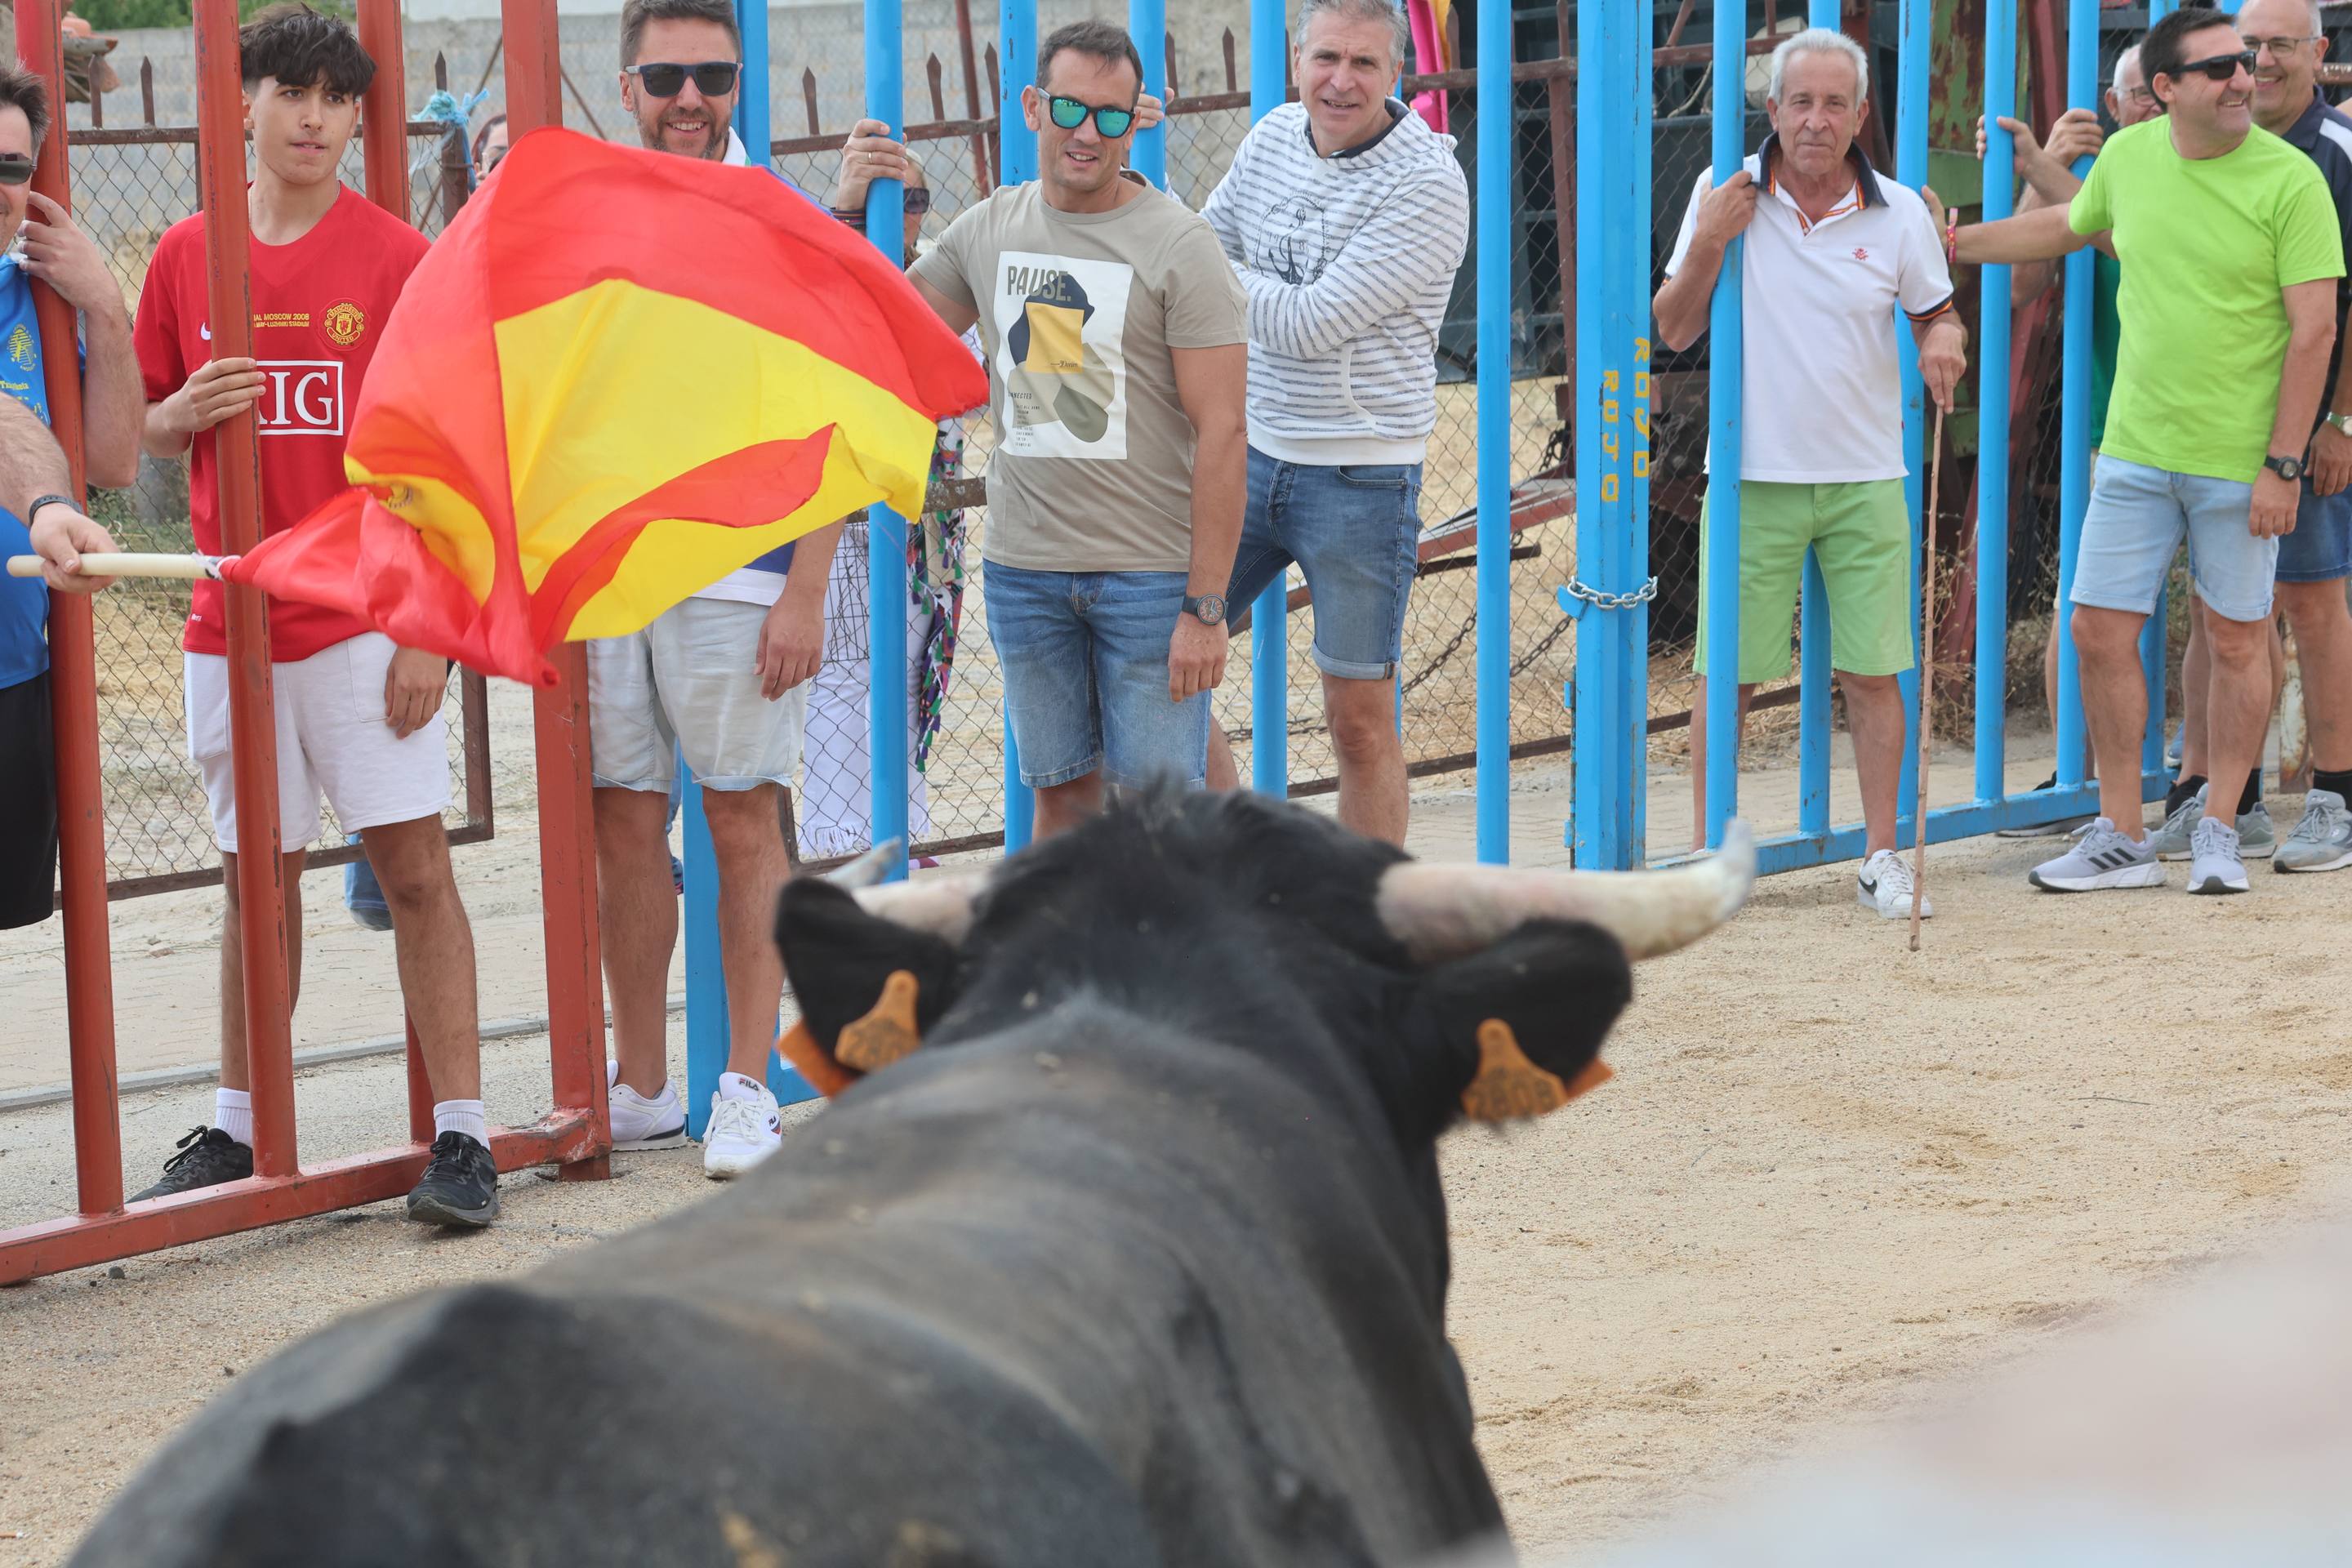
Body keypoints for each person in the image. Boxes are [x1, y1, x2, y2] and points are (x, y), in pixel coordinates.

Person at [130, 2, 501, 1225]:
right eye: (292, 92)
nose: (315, 118)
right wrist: (174, 419)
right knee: (255, 881)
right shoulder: (188, 255)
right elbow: (123, 443)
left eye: (339, 99)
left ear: (358, 117)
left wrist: (424, 635)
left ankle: (463, 1136)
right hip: (227, 623)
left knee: (412, 869)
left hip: (362, 624)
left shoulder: (395, 257)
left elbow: (446, 460)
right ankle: (242, 1128)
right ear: (242, 104)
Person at [1964, 7, 2343, 893]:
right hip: (2134, 449)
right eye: (2217, 68)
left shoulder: (2293, 181)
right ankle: (2121, 837)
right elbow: (2064, 229)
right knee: (2097, 630)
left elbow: (2316, 331)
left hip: (2238, 460)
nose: (2242, 79)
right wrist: (1952, 241)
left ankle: (2219, 827)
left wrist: (2283, 463)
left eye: (2244, 62)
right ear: (2164, 90)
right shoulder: (2130, 159)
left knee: (2239, 640)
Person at [847, 20, 1249, 840]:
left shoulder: (1179, 244)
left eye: (1110, 115)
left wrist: (1205, 607)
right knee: (1061, 802)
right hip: (1028, 573)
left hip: (1147, 579)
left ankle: (1168, 970)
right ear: (1033, 106)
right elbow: (885, 328)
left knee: (1158, 820)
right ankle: (1071, 972)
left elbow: (1225, 431)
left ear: (1135, 121)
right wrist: (856, 208)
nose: (1085, 132)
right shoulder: (992, 227)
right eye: (1069, 108)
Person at [590, 0, 842, 1178]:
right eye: (669, 76)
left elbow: (829, 410)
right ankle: (641, 1084)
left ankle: (746, 1085)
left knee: (742, 813)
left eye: (714, 76)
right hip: (609, 566)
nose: (691, 99)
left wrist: (808, 587)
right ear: (627, 78)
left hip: (740, 566)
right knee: (622, 819)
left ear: (741, 80)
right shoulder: (589, 210)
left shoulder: (780, 221)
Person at [1653, 26, 1967, 919]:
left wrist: (1944, 347)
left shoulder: (1900, 210)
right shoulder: (1724, 192)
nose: (1817, 120)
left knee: (1874, 673)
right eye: (1802, 102)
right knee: (1731, 673)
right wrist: (1711, 240)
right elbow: (1672, 329)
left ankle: (1881, 857)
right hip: (1752, 473)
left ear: (1861, 114)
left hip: (1868, 473)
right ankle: (1717, 859)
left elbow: (1937, 316)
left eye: (1836, 104)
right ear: (1773, 109)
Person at [1194, 0, 1469, 846]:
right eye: (1326, 59)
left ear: (1398, 76)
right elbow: (1201, 243)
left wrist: (1226, 281)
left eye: (1364, 64)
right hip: (1245, 452)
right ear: (1296, 59)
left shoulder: (1427, 182)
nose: (1340, 81)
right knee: (1156, 661)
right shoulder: (1273, 136)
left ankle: (1365, 933)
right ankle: (1234, 879)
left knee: (1356, 717)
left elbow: (1309, 326)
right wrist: (1227, 277)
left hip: (1361, 475)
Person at [2182, 0, 2352, 874]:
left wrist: (2340, 421)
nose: (2262, 60)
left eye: (2281, 43)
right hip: (2229, 430)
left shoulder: (2335, 153)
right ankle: (2226, 802)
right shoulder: (2229, 149)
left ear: (2321, 52)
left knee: (2315, 604)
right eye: (2247, 46)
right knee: (2223, 613)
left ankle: (2337, 797)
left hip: (2310, 431)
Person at [0, 62, 141, 934]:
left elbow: (119, 460)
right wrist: (48, 502)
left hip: (15, 673)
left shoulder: (37, 304)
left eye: (12, 168)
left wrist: (105, 309)